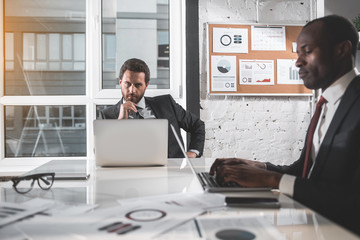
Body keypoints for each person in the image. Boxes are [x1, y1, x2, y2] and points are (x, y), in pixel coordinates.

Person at [210, 15, 360, 236]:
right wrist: (259, 168)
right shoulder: (325, 104)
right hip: (313, 225)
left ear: (342, 50)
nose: (298, 62)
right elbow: (305, 170)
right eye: (298, 54)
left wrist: (273, 180)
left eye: (307, 52)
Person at [99, 58, 205, 158]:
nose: (132, 90)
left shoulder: (166, 104)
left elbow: (197, 125)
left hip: (172, 172)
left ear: (146, 85)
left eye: (138, 85)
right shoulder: (106, 116)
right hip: (130, 174)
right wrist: (120, 122)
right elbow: (103, 154)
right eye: (128, 84)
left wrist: (193, 152)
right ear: (120, 82)